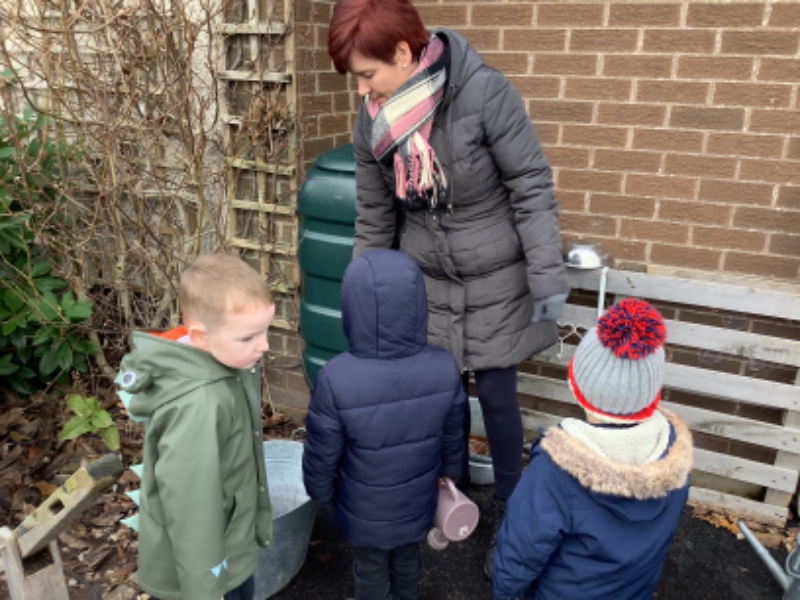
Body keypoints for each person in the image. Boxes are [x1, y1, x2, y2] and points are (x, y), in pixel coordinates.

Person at [327, 0, 571, 578]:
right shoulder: (372, 121)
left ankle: (510, 512)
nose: (361, 90)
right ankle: (449, 494)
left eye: (367, 74)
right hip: (425, 278)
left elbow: (530, 184)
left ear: (403, 53)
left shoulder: (484, 93)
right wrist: (361, 296)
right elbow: (374, 215)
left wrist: (546, 272)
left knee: (497, 393)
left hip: (495, 273)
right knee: (441, 393)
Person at [492, 298, 694, 600]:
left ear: (576, 383)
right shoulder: (675, 453)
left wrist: (505, 592)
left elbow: (522, 549)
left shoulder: (553, 470)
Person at [302, 248, 467, 600]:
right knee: (408, 560)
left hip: (363, 510)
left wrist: (323, 494)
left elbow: (322, 450)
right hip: (418, 501)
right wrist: (450, 474)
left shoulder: (336, 377)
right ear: (417, 304)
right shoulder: (443, 367)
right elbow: (455, 433)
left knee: (370, 571)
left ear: (351, 306)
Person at [117, 252, 275, 600]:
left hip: (226, 549)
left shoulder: (225, 363)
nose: (264, 346)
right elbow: (190, 505)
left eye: (265, 331)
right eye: (248, 337)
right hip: (208, 573)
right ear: (201, 337)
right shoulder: (199, 405)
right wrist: (205, 588)